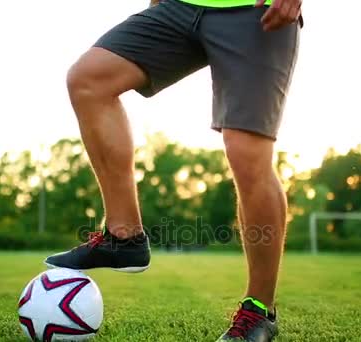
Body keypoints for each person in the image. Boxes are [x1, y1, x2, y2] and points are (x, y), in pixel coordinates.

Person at [45, 0, 301, 340]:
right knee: (89, 79)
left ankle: (258, 309)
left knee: (245, 151)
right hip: (179, 7)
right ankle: (123, 237)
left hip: (256, 11)